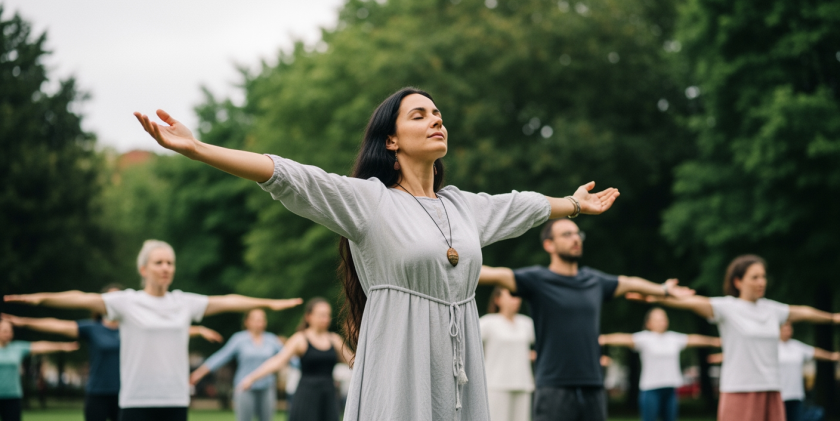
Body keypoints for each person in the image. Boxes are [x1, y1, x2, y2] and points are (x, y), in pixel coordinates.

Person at [130, 87, 620, 420]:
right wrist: (198, 150)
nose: (436, 121)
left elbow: (523, 207)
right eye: (420, 115)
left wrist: (573, 204)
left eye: (438, 115)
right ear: (391, 139)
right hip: (399, 361)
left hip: (458, 368)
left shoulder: (463, 208)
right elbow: (288, 175)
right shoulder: (370, 200)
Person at [4, 239, 302, 421]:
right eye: (159, 262)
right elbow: (81, 297)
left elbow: (226, 301)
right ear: (143, 269)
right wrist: (40, 298)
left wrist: (270, 303)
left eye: (170, 263)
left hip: (174, 399)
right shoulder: (126, 302)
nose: (165, 267)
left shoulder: (184, 303)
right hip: (136, 400)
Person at [478, 217, 694, 421]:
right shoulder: (537, 280)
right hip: (554, 387)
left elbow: (629, 283)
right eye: (566, 234)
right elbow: (496, 275)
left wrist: (664, 289)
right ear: (549, 245)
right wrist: (450, 260)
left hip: (593, 386)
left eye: (577, 233)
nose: (575, 238)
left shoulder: (594, 281)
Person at [628, 254, 840, 421]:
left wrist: (832, 318)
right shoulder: (727, 307)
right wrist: (653, 296)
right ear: (737, 281)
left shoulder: (773, 310)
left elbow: (803, 312)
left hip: (772, 389)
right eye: (755, 277)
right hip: (740, 390)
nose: (761, 282)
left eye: (763, 276)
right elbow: (688, 302)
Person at [1, 283, 222, 421]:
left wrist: (199, 329)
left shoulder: (135, 325)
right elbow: (58, 325)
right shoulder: (92, 328)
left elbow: (167, 330)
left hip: (126, 394)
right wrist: (25, 321)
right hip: (97, 393)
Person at [598, 307, 720, 421]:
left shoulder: (674, 338)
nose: (662, 321)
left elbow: (694, 339)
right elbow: (623, 338)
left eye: (664, 317)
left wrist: (715, 341)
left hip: (670, 389)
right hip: (651, 389)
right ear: (649, 323)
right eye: (658, 318)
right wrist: (602, 339)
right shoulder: (644, 338)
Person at [238, 298, 348, 421]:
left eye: (328, 315)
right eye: (321, 315)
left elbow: (354, 362)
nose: (326, 319)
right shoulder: (300, 339)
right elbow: (278, 361)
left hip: (329, 395)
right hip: (307, 395)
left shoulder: (335, 340)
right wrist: (251, 378)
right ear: (309, 316)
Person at [708, 322, 840, 421]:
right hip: (778, 395)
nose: (787, 331)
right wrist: (720, 357)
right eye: (784, 328)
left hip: (796, 395)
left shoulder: (797, 346)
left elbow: (815, 352)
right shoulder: (770, 346)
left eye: (789, 328)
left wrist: (833, 356)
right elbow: (746, 353)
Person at [189, 309, 283, 421]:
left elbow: (288, 356)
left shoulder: (272, 340)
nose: (260, 323)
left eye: (262, 319)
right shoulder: (239, 339)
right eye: (256, 319)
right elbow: (221, 356)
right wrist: (200, 372)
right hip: (244, 387)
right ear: (247, 322)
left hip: (266, 387)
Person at [0, 318, 78, 421]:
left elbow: (41, 346)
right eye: (5, 331)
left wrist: (62, 346)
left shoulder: (17, 348)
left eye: (10, 331)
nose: (8, 333)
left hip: (13, 397)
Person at [479, 286, 536, 421]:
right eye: (511, 295)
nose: (516, 300)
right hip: (496, 385)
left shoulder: (526, 323)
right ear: (498, 299)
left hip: (523, 384)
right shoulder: (488, 322)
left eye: (517, 296)